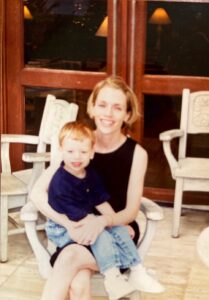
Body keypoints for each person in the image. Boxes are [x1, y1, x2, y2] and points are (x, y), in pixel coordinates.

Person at [31, 76, 165, 300]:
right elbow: (37, 193)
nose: (108, 114)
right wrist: (67, 224)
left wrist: (102, 221)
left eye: (117, 108)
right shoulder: (77, 145)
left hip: (116, 233)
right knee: (77, 283)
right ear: (92, 107)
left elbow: (131, 212)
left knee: (71, 258)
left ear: (127, 115)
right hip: (76, 232)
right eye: (102, 105)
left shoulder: (137, 154)